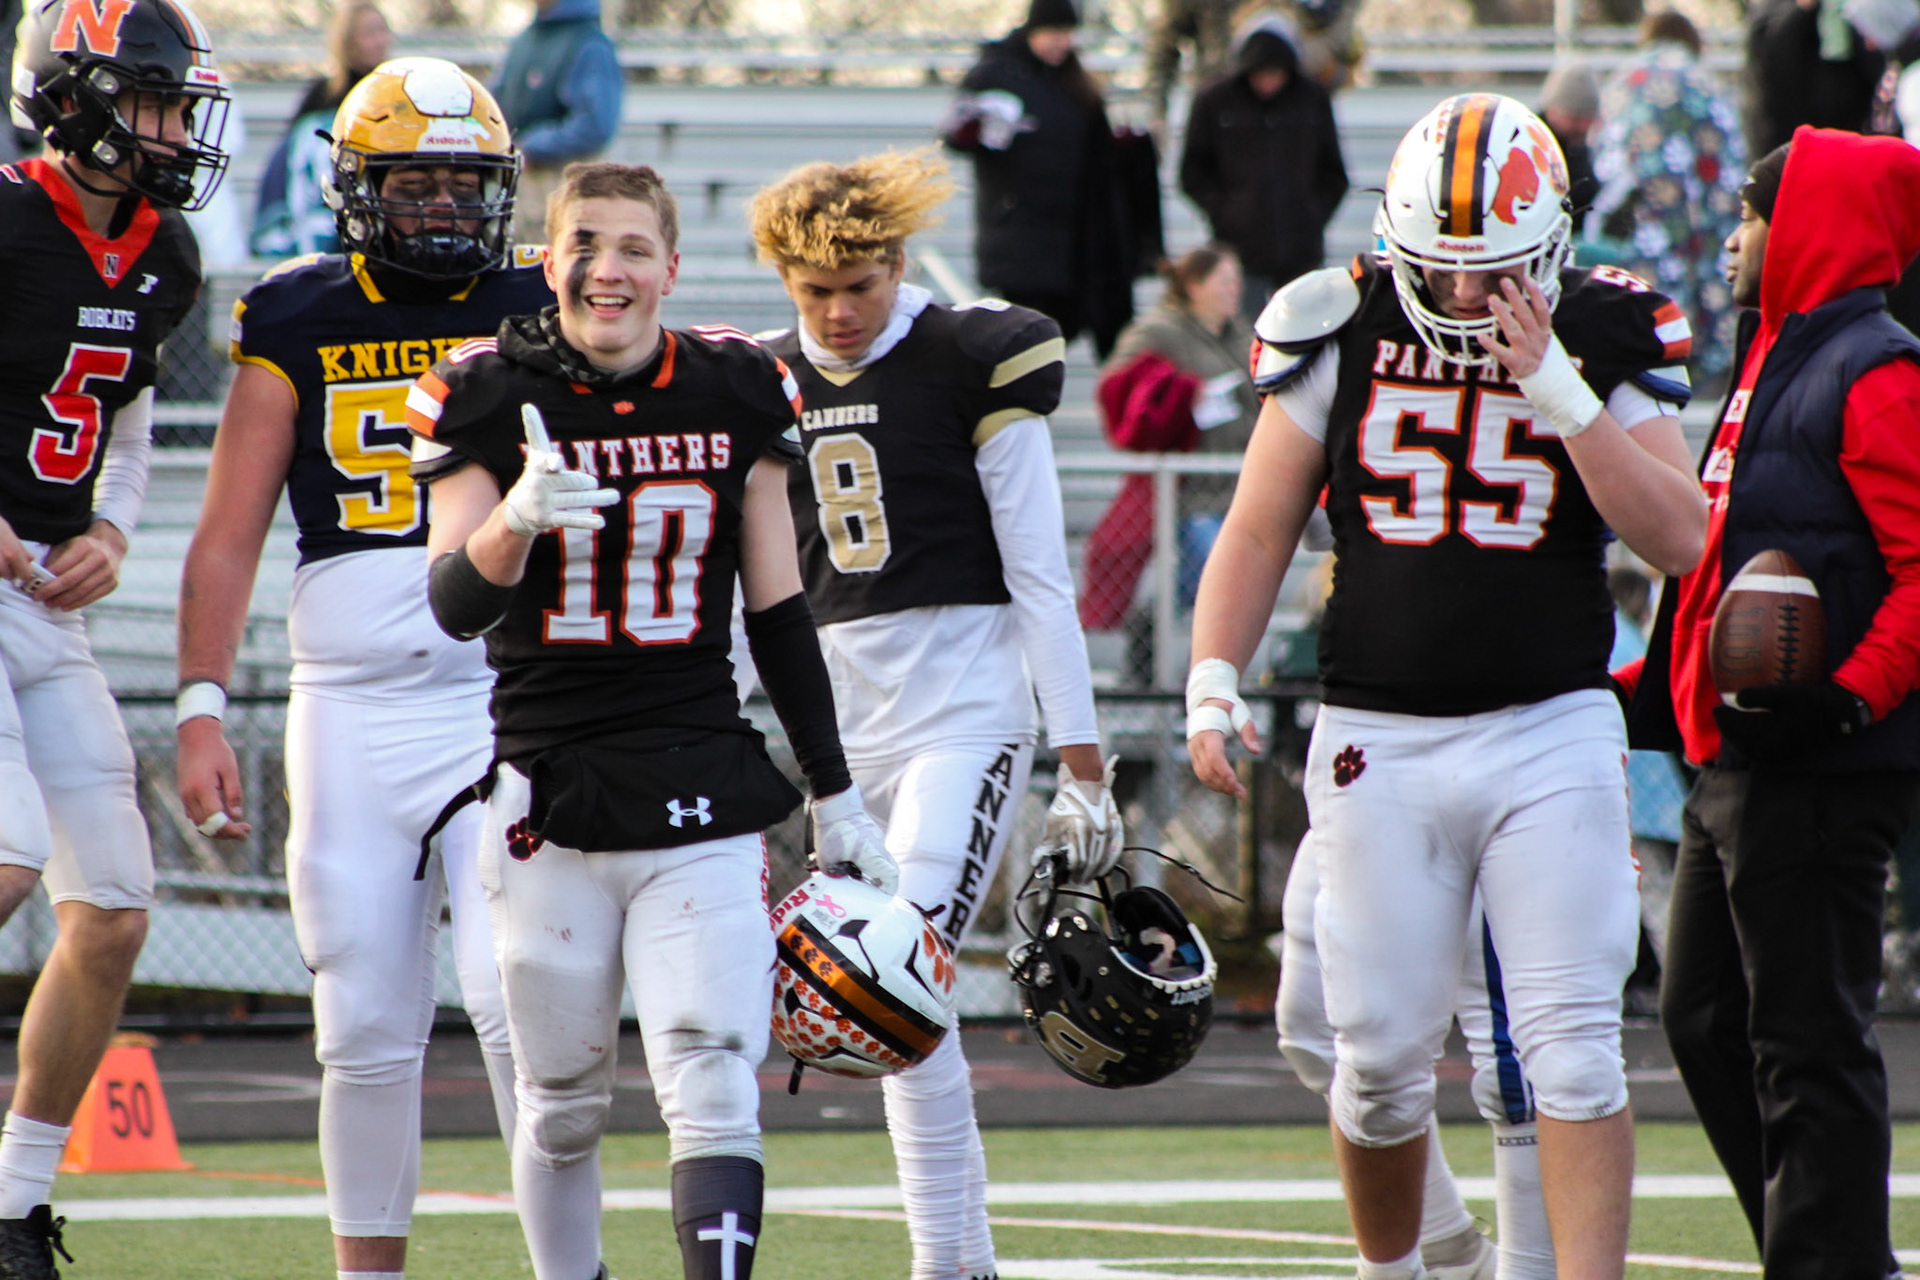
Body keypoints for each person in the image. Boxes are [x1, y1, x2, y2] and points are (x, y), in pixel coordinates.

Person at [1189, 93, 1706, 1279]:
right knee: (1375, 1059)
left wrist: (1563, 391)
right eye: (1444, 267)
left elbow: (1680, 537)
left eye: (1497, 269)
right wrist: (1214, 675)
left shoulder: (1603, 328)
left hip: (1550, 726)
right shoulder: (1340, 323)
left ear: (1553, 243)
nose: (1468, 294)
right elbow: (1259, 527)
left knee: (1573, 1050)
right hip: (1379, 735)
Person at [408, 160, 894, 1280]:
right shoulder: (482, 388)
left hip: (699, 780)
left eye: (633, 247)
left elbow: (779, 612)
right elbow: (454, 604)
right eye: (584, 244)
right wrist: (515, 520)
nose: (607, 269)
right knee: (563, 1104)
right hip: (549, 795)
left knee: (713, 1069)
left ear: (671, 267)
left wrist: (836, 792)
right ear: (548, 260)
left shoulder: (736, 385)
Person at [174, 57, 540, 1280]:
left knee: (522, 1001)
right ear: (357, 188)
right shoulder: (296, 312)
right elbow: (227, 532)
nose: (441, 207)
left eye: (462, 184)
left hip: (504, 695)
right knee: (363, 1024)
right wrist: (201, 706)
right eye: (414, 182)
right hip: (349, 708)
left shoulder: (538, 301)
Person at [748, 149, 1121, 1280]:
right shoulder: (755, 381)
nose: (839, 311)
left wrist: (1085, 765)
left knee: (899, 980)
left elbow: (1041, 573)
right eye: (815, 290)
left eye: (859, 285)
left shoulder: (971, 355)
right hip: (838, 733)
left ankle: (947, 1260)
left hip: (965, 709)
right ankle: (963, 1260)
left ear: (901, 263)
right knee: (891, 1001)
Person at [1617, 131, 1920, 1280]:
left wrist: (1842, 699)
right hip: (1736, 755)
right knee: (1704, 1017)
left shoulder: (1874, 370)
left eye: (1753, 216)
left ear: (1809, 226)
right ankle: (1822, 1252)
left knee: (1806, 1036)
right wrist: (1643, 690)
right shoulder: (1772, 358)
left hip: (1821, 762)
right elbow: (1714, 572)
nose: (1734, 238)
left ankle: (1834, 1263)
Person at [0, 1, 227, 1275]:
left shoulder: (165, 252)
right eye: (152, 101)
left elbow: (126, 427)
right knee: (10, 851)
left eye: (179, 105)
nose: (174, 130)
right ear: (73, 98)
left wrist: (113, 530)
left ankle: (13, 1206)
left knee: (117, 906)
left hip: (47, 602)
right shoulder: (4, 217)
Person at [942, 0, 1140, 356]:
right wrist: (975, 129)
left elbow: (1097, 154)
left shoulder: (1075, 83)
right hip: (1018, 239)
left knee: (1057, 336)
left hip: (1073, 242)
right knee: (1024, 341)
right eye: (1053, 33)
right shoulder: (995, 75)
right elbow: (955, 133)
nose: (1062, 43)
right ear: (1032, 31)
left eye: (1068, 34)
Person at [1079, 244, 1255, 639]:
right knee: (1211, 574)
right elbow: (1117, 387)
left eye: (1237, 281)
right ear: (1194, 286)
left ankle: (1152, 629)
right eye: (1224, 281)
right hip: (1190, 488)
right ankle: (1155, 633)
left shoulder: (1243, 335)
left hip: (1240, 485)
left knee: (1215, 582)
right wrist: (1179, 393)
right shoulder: (1160, 331)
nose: (1234, 289)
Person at [1589, 11, 1747, 388]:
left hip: (1644, 216)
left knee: (1650, 293)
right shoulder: (1705, 82)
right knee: (1705, 280)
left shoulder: (1623, 81)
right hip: (1703, 214)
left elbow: (1602, 158)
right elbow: (1733, 162)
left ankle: (1650, 367)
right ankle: (1704, 365)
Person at [1178, 21, 1347, 316]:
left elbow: (1333, 174)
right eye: (1261, 74)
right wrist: (1226, 214)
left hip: (1301, 252)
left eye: (1275, 74)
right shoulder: (1214, 100)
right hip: (1239, 254)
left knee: (1304, 331)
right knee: (1244, 334)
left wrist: (1311, 215)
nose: (1268, 82)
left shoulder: (1312, 99)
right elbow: (1192, 173)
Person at [250, 0, 391, 258]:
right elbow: (293, 165)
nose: (380, 41)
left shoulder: (393, 96)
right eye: (370, 33)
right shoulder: (322, 97)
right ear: (348, 40)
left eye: (383, 31)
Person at [492, 0, 623, 242]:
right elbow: (493, 106)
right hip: (520, 192)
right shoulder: (526, 40)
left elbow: (595, 126)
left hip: (562, 192)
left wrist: (531, 147)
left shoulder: (589, 44)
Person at [1744, 0, 1886, 158]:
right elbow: (1770, 66)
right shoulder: (1771, 15)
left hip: (1853, 129)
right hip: (1793, 140)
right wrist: (1802, 9)